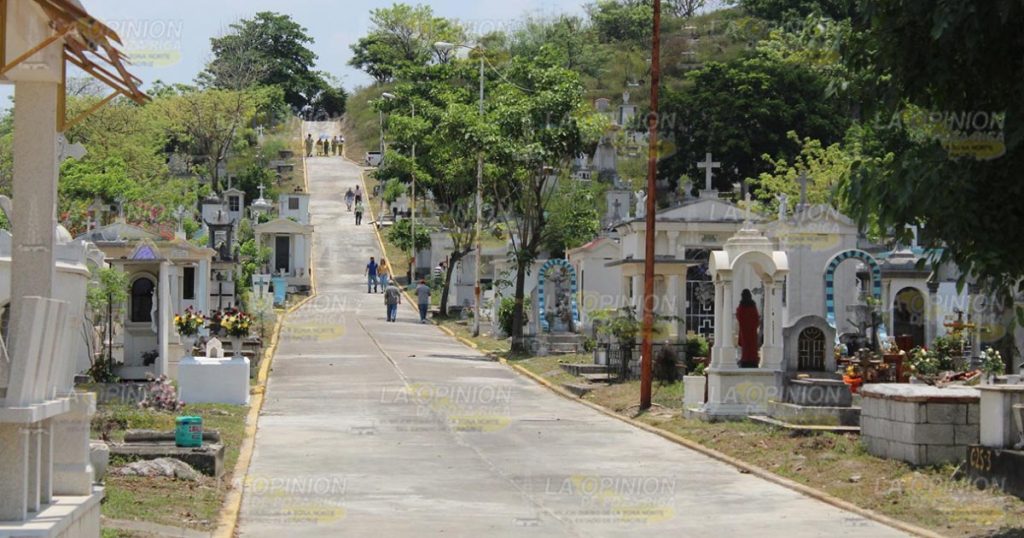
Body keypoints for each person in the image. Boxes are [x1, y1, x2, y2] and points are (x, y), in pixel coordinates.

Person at [736, 288, 761, 368]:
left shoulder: (741, 305)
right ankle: (753, 361)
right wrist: (755, 325)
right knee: (752, 345)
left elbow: (739, 315)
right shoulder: (753, 305)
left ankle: (745, 360)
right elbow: (756, 317)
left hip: (744, 329)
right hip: (752, 329)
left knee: (745, 345)